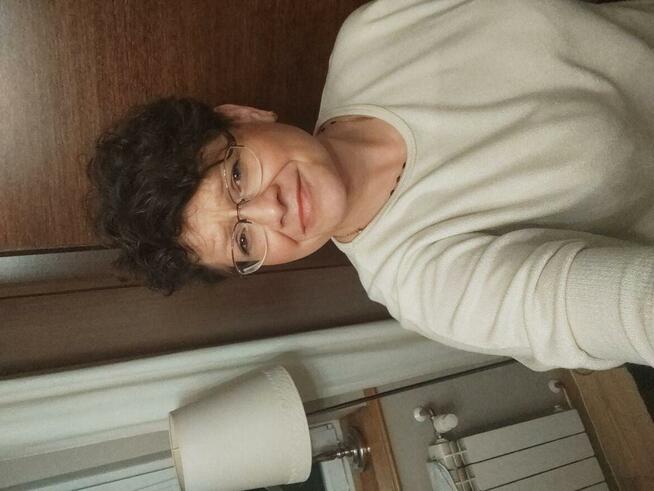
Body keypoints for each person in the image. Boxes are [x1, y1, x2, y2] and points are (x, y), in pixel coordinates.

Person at [88, 0, 654, 371]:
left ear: (244, 116)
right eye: (242, 241)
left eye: (237, 177)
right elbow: (629, 309)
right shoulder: (426, 286)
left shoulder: (376, 34)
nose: (271, 213)